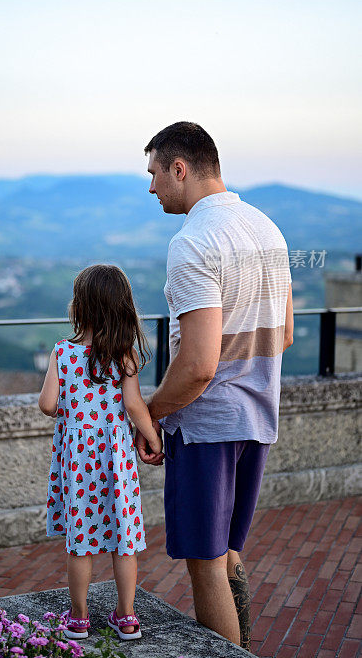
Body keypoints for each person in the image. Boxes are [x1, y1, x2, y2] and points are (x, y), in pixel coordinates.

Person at [136, 121, 294, 651]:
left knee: (205, 568)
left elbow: (199, 364)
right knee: (227, 554)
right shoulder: (268, 229)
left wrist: (152, 412)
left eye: (155, 173)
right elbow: (287, 333)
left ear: (180, 169)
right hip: (258, 418)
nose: (152, 187)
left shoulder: (193, 243)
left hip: (207, 428)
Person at [38, 264, 163, 641]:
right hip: (115, 460)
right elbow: (135, 407)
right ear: (121, 307)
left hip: (78, 460)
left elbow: (47, 404)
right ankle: (126, 618)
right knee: (124, 540)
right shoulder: (123, 355)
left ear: (81, 307)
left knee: (82, 542)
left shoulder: (63, 352)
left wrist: (76, 412)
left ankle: (78, 619)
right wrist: (154, 439)